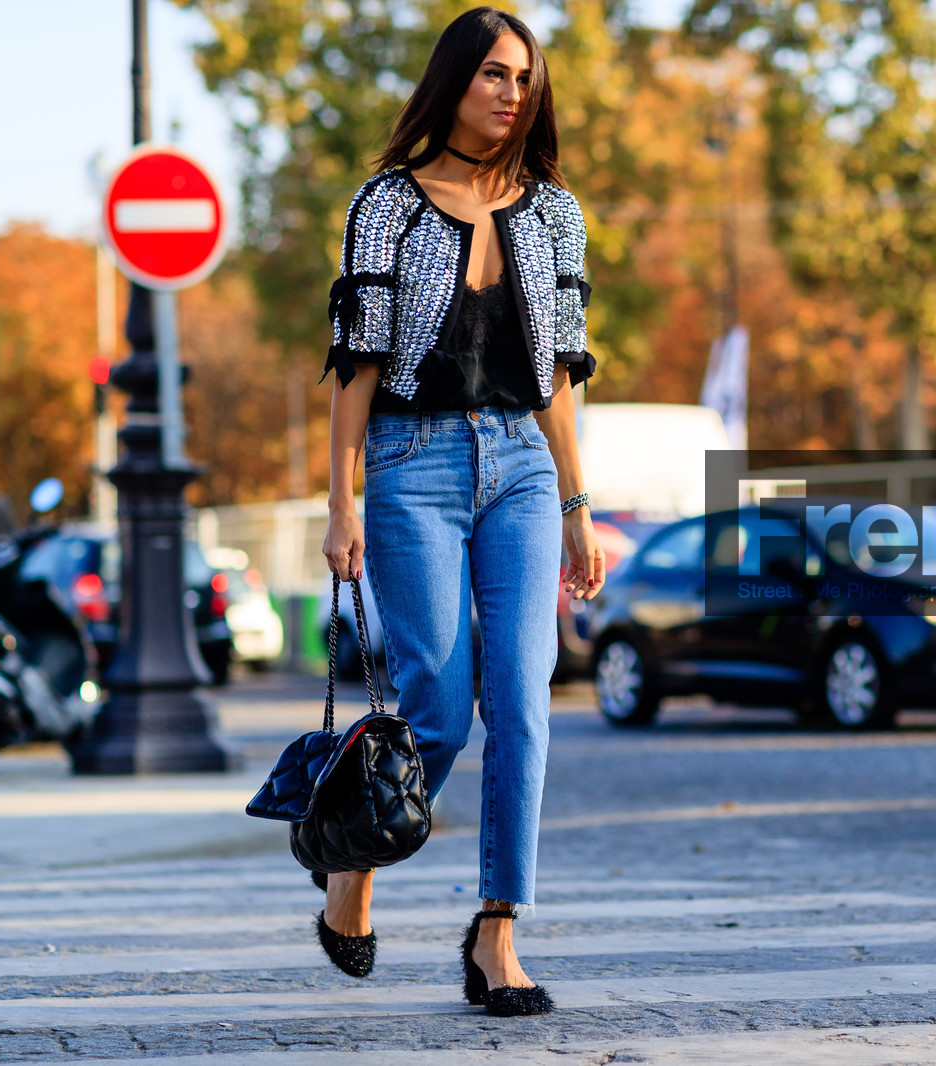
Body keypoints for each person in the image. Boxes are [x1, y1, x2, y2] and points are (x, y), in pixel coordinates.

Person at [317, 8, 604, 1017]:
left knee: (523, 701)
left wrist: (576, 504)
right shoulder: (385, 205)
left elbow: (561, 375)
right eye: (492, 73)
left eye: (524, 77)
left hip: (524, 466)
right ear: (453, 82)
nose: (511, 91)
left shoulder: (554, 213)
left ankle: (497, 931)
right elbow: (354, 367)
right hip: (411, 464)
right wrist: (340, 501)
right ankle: (352, 856)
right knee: (436, 706)